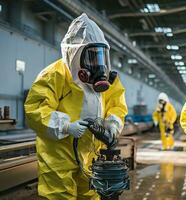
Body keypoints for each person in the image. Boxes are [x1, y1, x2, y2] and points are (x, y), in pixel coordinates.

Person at [24, 13, 128, 199]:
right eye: (92, 57)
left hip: (90, 152)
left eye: (101, 56)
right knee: (59, 195)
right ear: (75, 55)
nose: (98, 65)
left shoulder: (110, 81)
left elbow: (117, 106)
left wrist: (113, 124)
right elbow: (36, 110)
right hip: (58, 154)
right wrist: (65, 126)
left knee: (91, 194)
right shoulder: (53, 76)